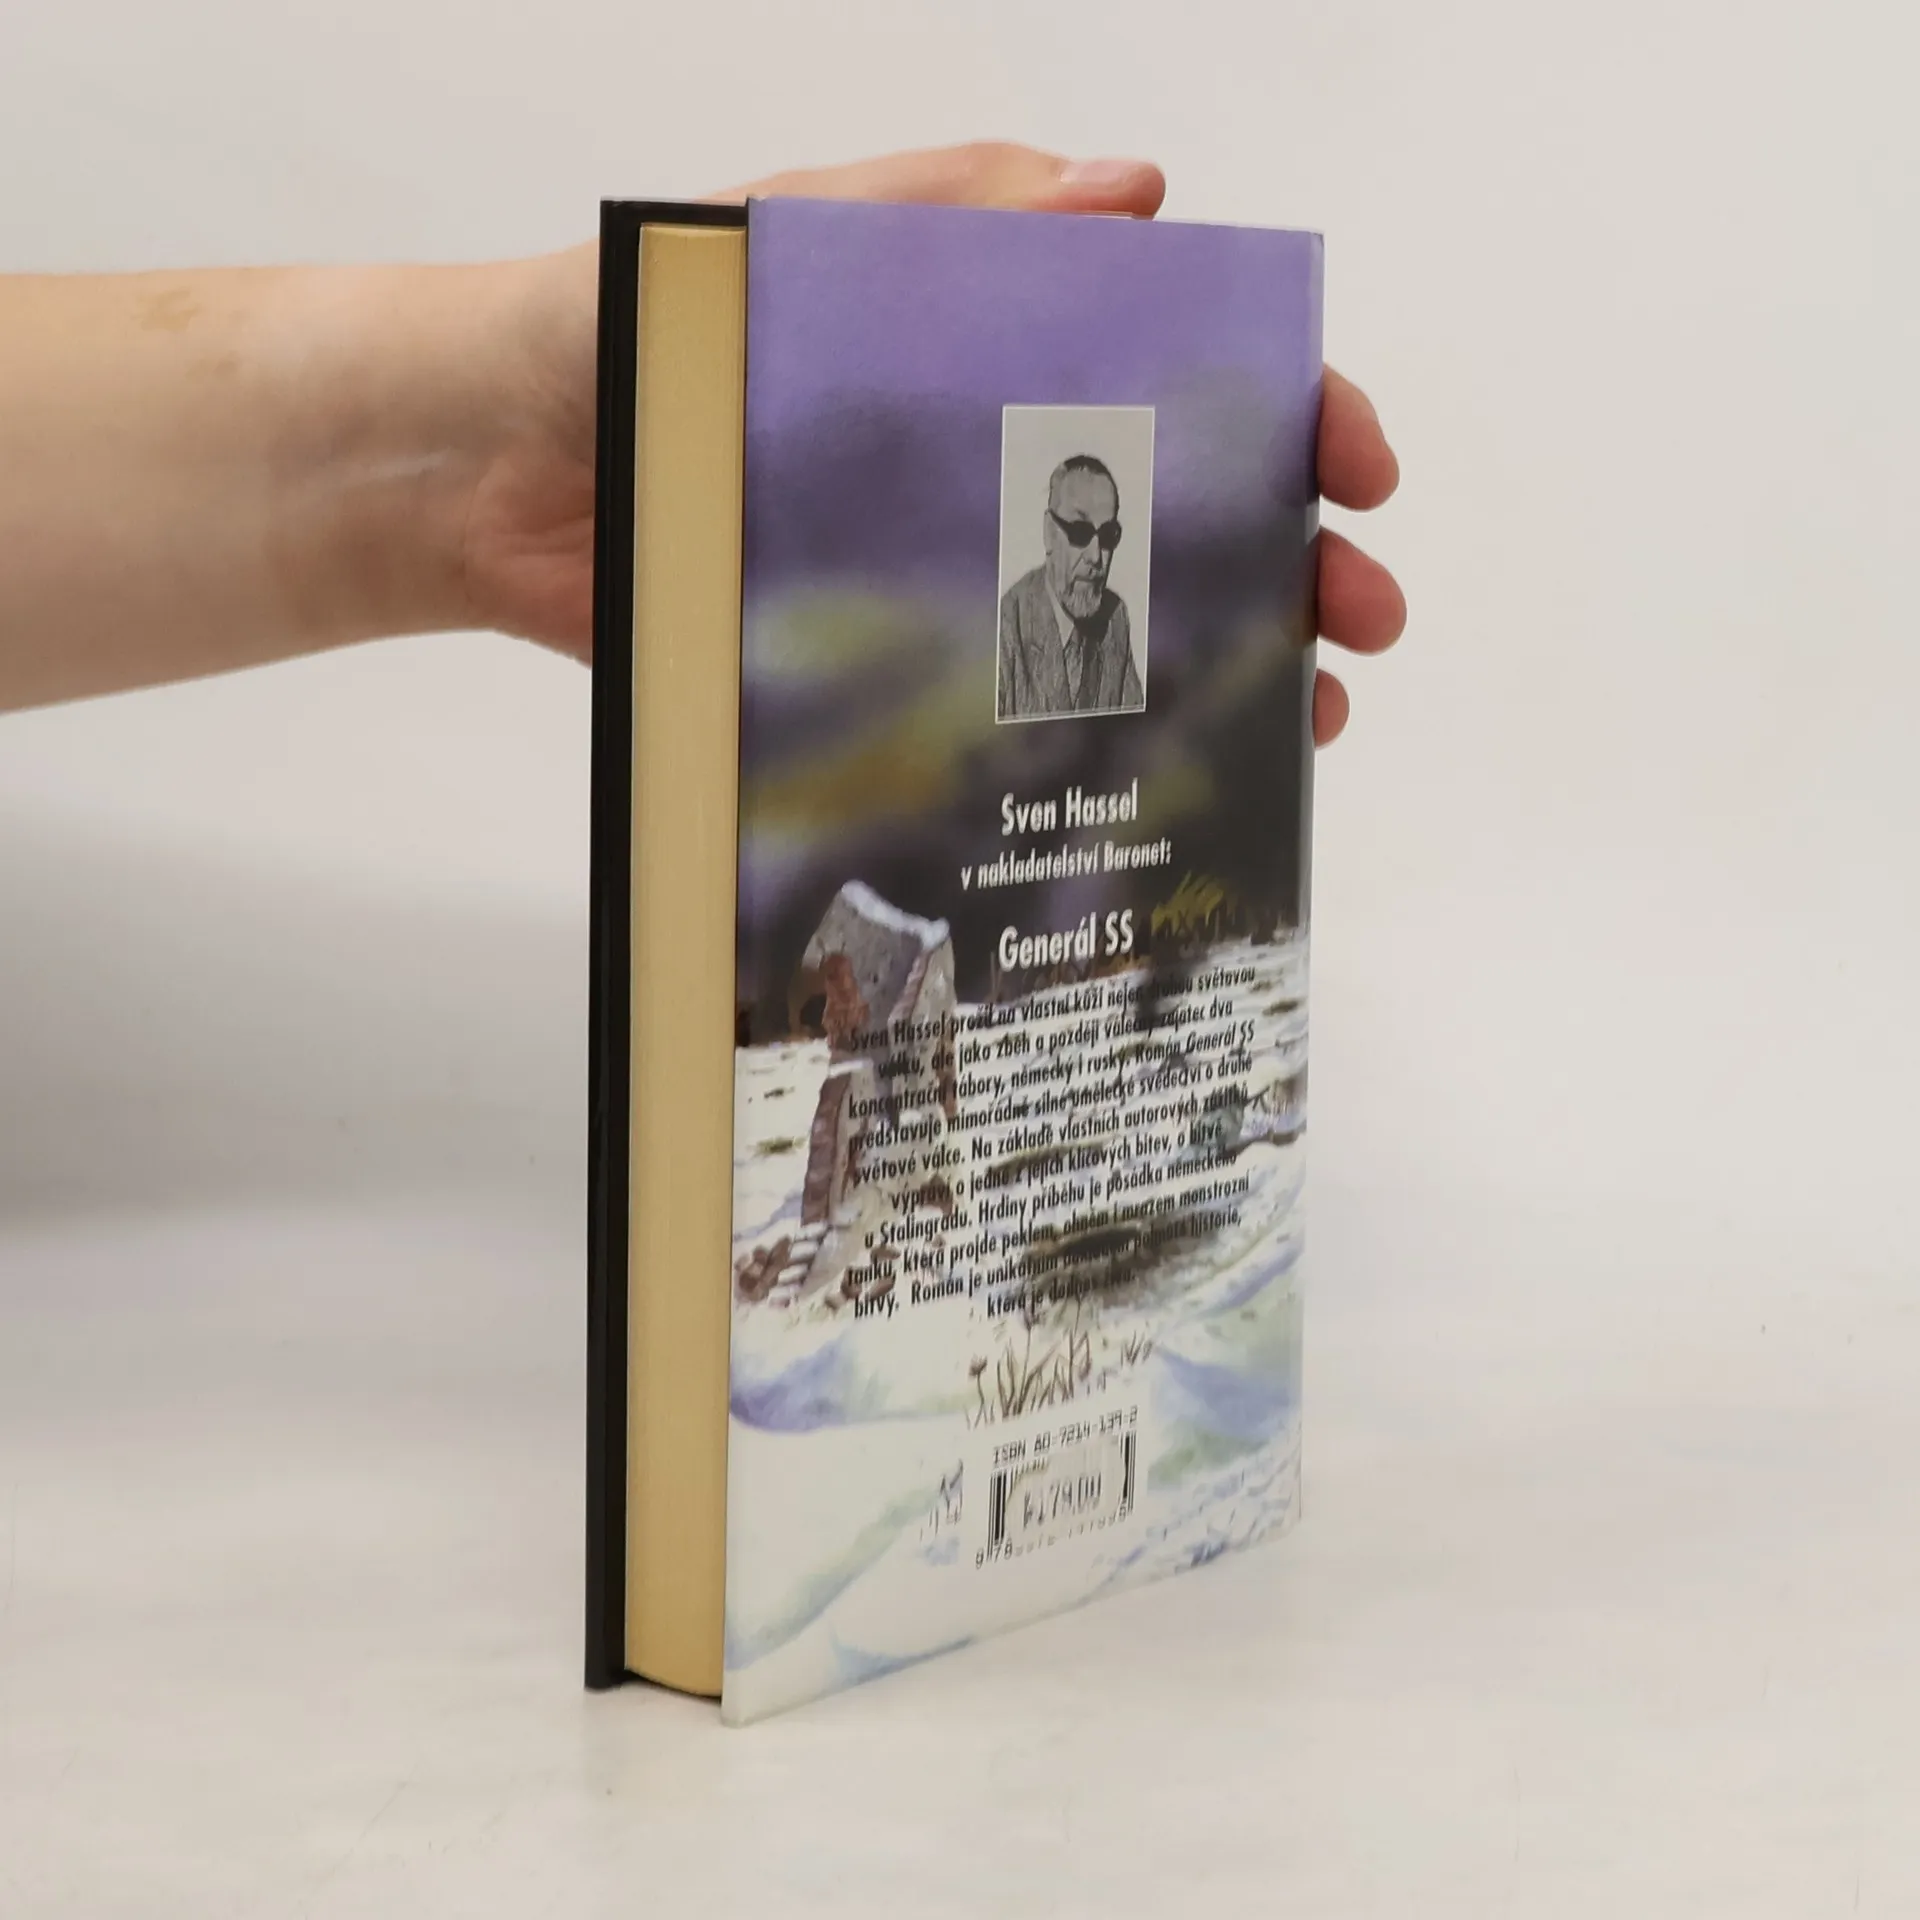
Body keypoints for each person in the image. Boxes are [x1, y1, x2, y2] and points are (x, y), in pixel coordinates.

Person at [0, 144, 1403, 735]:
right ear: (1045, 530)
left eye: (1112, 531)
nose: (1097, 552)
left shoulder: (1112, 631)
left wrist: (478, 438)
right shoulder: (1024, 617)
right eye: (1077, 527)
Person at [998, 453, 1143, 721]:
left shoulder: (1115, 618)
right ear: (1049, 533)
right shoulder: (1006, 625)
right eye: (1080, 532)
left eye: (1108, 535)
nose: (1095, 556)